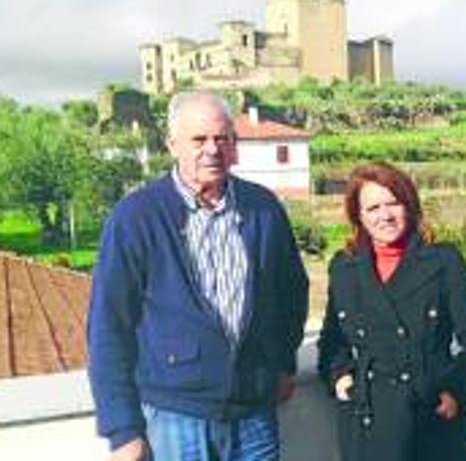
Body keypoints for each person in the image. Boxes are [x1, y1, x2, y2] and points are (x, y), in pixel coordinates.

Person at [87, 91, 309, 461]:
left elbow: (291, 292)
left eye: (222, 138)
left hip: (253, 414)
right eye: (199, 139)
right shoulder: (136, 217)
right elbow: (109, 325)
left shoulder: (263, 209)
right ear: (172, 145)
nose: (212, 149)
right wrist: (122, 428)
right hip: (177, 416)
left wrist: (283, 364)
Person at [317, 162, 466, 461]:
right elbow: (333, 340)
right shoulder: (344, 268)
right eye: (373, 208)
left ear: (409, 206)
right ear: (358, 215)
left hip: (433, 417)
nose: (385, 215)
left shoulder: (443, 261)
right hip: (369, 420)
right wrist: (340, 378)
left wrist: (456, 392)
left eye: (393, 204)